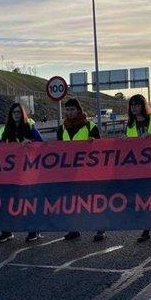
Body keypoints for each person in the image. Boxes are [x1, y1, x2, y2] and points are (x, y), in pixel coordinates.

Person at [56, 98, 106, 242]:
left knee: (93, 200)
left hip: (88, 171)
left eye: (72, 109)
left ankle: (100, 228)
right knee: (72, 201)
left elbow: (102, 148)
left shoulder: (90, 126)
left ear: (78, 110)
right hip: (70, 172)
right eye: (67, 110)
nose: (70, 112)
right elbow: (57, 150)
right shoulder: (62, 128)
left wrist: (93, 142)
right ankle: (74, 229)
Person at [0, 103, 43, 244]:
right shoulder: (4, 131)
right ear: (10, 115)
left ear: (23, 114)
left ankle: (33, 230)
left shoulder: (30, 129)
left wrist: (31, 143)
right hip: (10, 173)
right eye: (14, 112)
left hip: (28, 172)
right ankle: (6, 231)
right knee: (7, 202)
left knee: (28, 203)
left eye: (18, 112)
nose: (16, 114)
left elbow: (43, 147)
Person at [125, 94, 151, 244]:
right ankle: (146, 229)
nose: (134, 108)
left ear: (143, 106)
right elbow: (128, 146)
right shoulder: (130, 124)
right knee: (144, 201)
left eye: (137, 105)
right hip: (139, 169)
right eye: (132, 105)